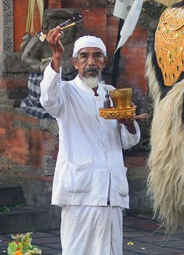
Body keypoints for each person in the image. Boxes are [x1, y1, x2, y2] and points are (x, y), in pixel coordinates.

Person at [40, 27, 141, 254]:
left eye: (97, 56)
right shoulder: (65, 92)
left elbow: (129, 140)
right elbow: (48, 98)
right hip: (81, 193)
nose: (91, 62)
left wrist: (127, 121)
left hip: (111, 192)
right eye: (84, 56)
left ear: (104, 62)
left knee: (111, 250)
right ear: (75, 63)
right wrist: (56, 56)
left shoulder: (112, 93)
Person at [20, 8, 82, 119]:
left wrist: (66, 66)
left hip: (71, 85)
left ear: (76, 27)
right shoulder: (41, 38)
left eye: (65, 24)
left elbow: (84, 61)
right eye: (55, 24)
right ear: (46, 24)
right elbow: (26, 59)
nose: (60, 29)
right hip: (44, 83)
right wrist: (42, 66)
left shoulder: (79, 41)